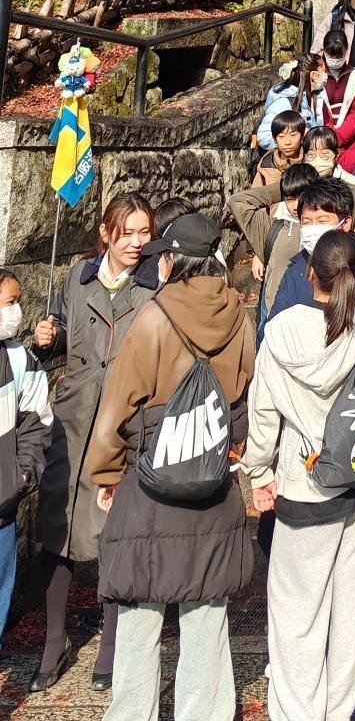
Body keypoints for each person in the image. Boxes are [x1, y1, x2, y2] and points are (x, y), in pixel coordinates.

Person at [244, 229, 355, 721]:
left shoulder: (280, 331)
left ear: (309, 273)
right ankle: (338, 711)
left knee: (296, 612)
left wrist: (259, 471)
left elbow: (262, 414)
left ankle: (298, 712)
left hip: (305, 485)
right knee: (352, 609)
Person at [87, 212, 254, 721]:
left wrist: (105, 473)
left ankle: (133, 713)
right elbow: (247, 394)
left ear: (171, 261)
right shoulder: (241, 318)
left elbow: (117, 406)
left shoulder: (154, 318)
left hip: (150, 482)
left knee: (140, 611)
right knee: (206, 613)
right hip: (212, 479)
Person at [32, 191, 156, 691]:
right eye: (126, 232)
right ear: (106, 233)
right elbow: (67, 336)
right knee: (56, 534)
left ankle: (111, 643)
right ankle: (53, 640)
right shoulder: (79, 279)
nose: (135, 243)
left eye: (144, 232)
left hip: (122, 427)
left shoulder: (152, 286)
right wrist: (49, 337)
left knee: (112, 539)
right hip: (72, 423)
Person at [0, 270, 52, 643]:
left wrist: (21, 475)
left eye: (18, 301)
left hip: (2, 509)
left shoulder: (20, 360)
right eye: (9, 302)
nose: (17, 311)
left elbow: (37, 422)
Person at [268, 179, 355, 319]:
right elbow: (274, 323)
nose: (313, 228)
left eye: (322, 221)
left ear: (346, 223)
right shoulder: (297, 266)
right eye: (306, 222)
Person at [229, 162, 317, 331]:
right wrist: (284, 188)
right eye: (289, 199)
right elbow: (237, 202)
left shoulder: (326, 227)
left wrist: (315, 189)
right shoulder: (274, 227)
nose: (294, 206)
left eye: (300, 197)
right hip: (273, 313)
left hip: (311, 317)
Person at [317, 30, 355, 174]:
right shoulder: (316, 75)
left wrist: (337, 138)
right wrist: (328, 139)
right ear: (324, 51)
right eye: (331, 55)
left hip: (349, 146)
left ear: (346, 51)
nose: (334, 59)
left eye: (339, 55)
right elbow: (317, 110)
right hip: (321, 143)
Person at [252, 110, 307, 190]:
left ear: (302, 137)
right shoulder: (266, 166)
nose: (288, 142)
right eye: (281, 136)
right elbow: (256, 197)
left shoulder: (309, 160)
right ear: (274, 139)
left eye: (293, 135)